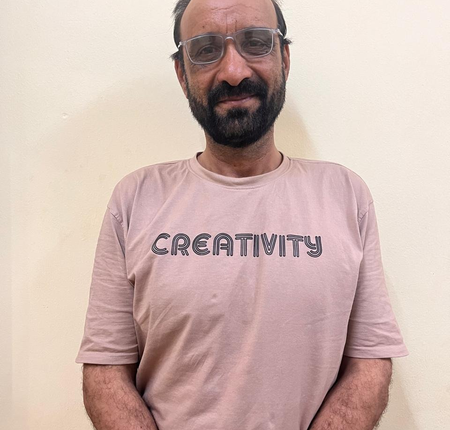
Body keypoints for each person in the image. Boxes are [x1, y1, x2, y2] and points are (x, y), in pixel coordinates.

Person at [76, 0, 408, 429]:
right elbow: (106, 369)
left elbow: (370, 360)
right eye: (206, 49)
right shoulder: (135, 198)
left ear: (284, 58)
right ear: (182, 74)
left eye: (255, 42)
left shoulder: (345, 195)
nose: (233, 72)